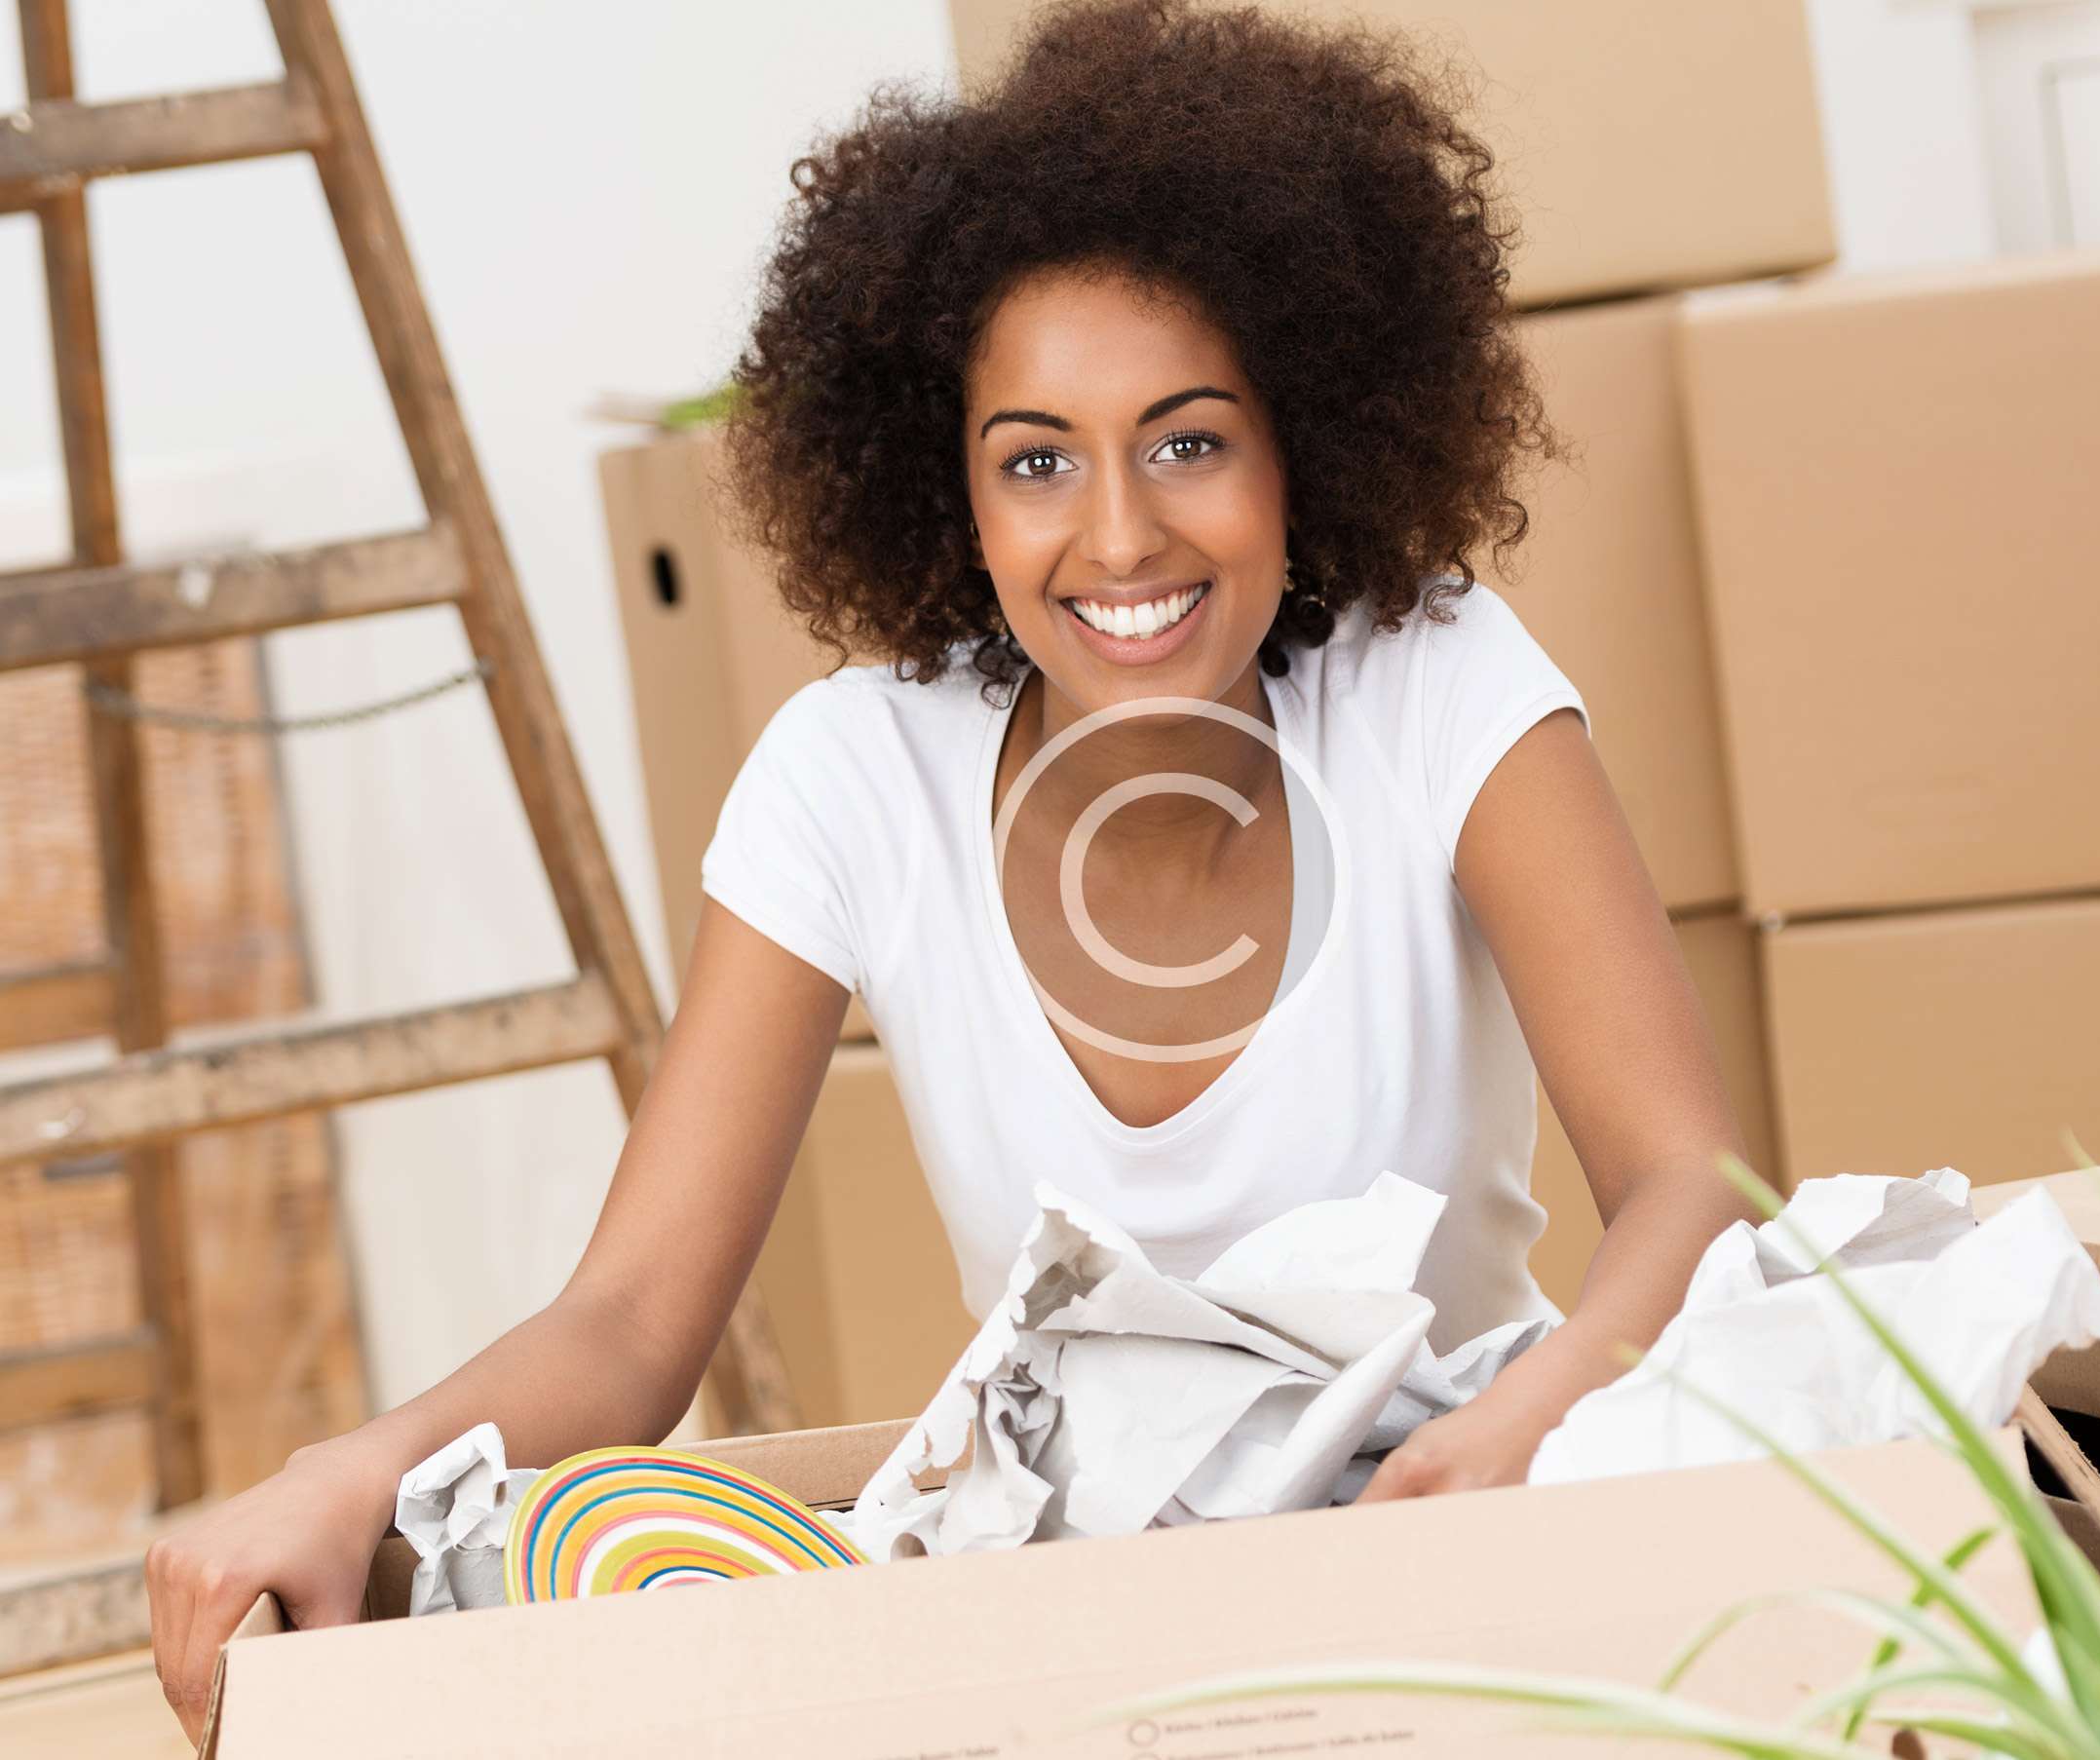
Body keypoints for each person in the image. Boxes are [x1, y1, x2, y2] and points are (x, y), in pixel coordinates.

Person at [142, 0, 1756, 1736]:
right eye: (1037, 461)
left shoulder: (1436, 687)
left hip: (1455, 1547)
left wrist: (1525, 1424)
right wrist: (346, 1467)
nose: (1119, 534)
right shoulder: (856, 778)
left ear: (1303, 440)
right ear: (953, 494)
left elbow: (1689, 1179)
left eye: (1190, 439)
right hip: (1069, 1626)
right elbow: (628, 1321)